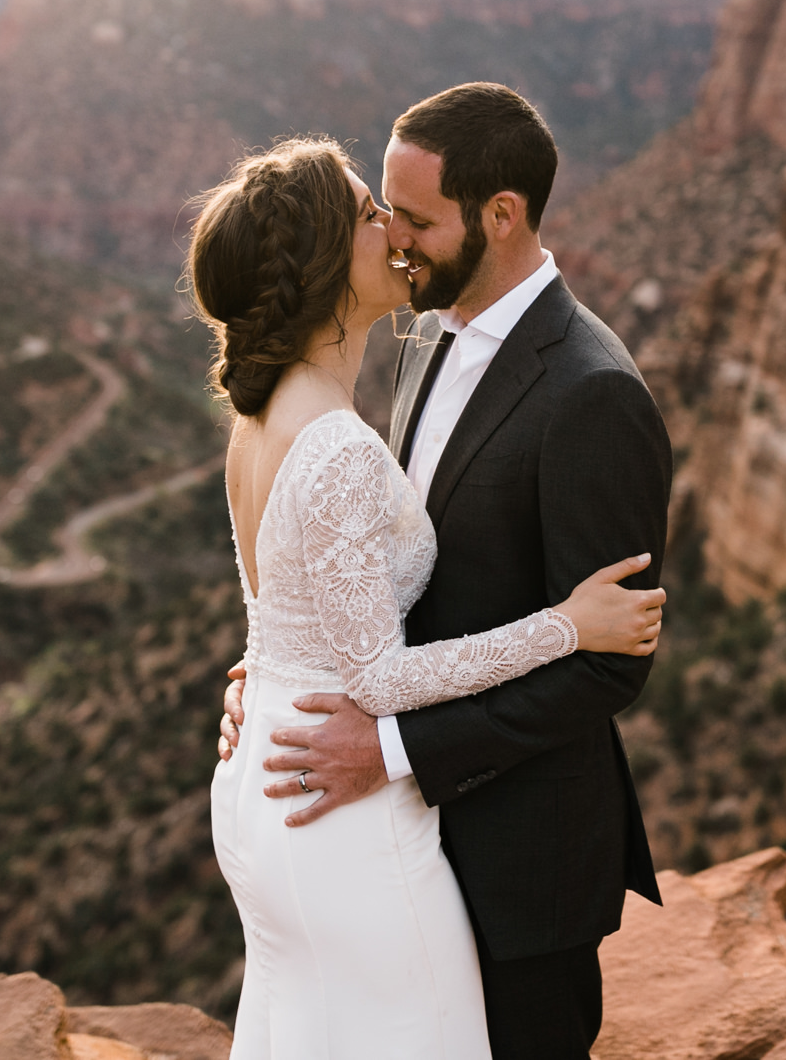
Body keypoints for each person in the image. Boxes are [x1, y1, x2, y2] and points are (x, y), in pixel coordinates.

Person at [214, 84, 673, 1059]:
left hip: (516, 854)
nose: (398, 238)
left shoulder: (592, 393)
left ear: (499, 214)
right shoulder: (419, 336)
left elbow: (610, 661)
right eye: (381, 214)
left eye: (415, 218)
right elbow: (358, 570)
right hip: (365, 823)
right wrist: (285, 673)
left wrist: (385, 749)